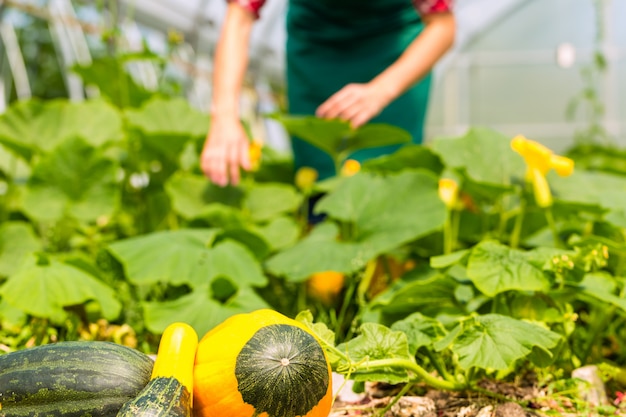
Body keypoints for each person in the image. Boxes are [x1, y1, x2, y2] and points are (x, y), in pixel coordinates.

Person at [201, 0, 456, 187]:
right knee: (320, 177)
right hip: (316, 51)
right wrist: (224, 117)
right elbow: (239, 18)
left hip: (393, 55)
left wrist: (381, 91)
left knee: (395, 182)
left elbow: (443, 27)